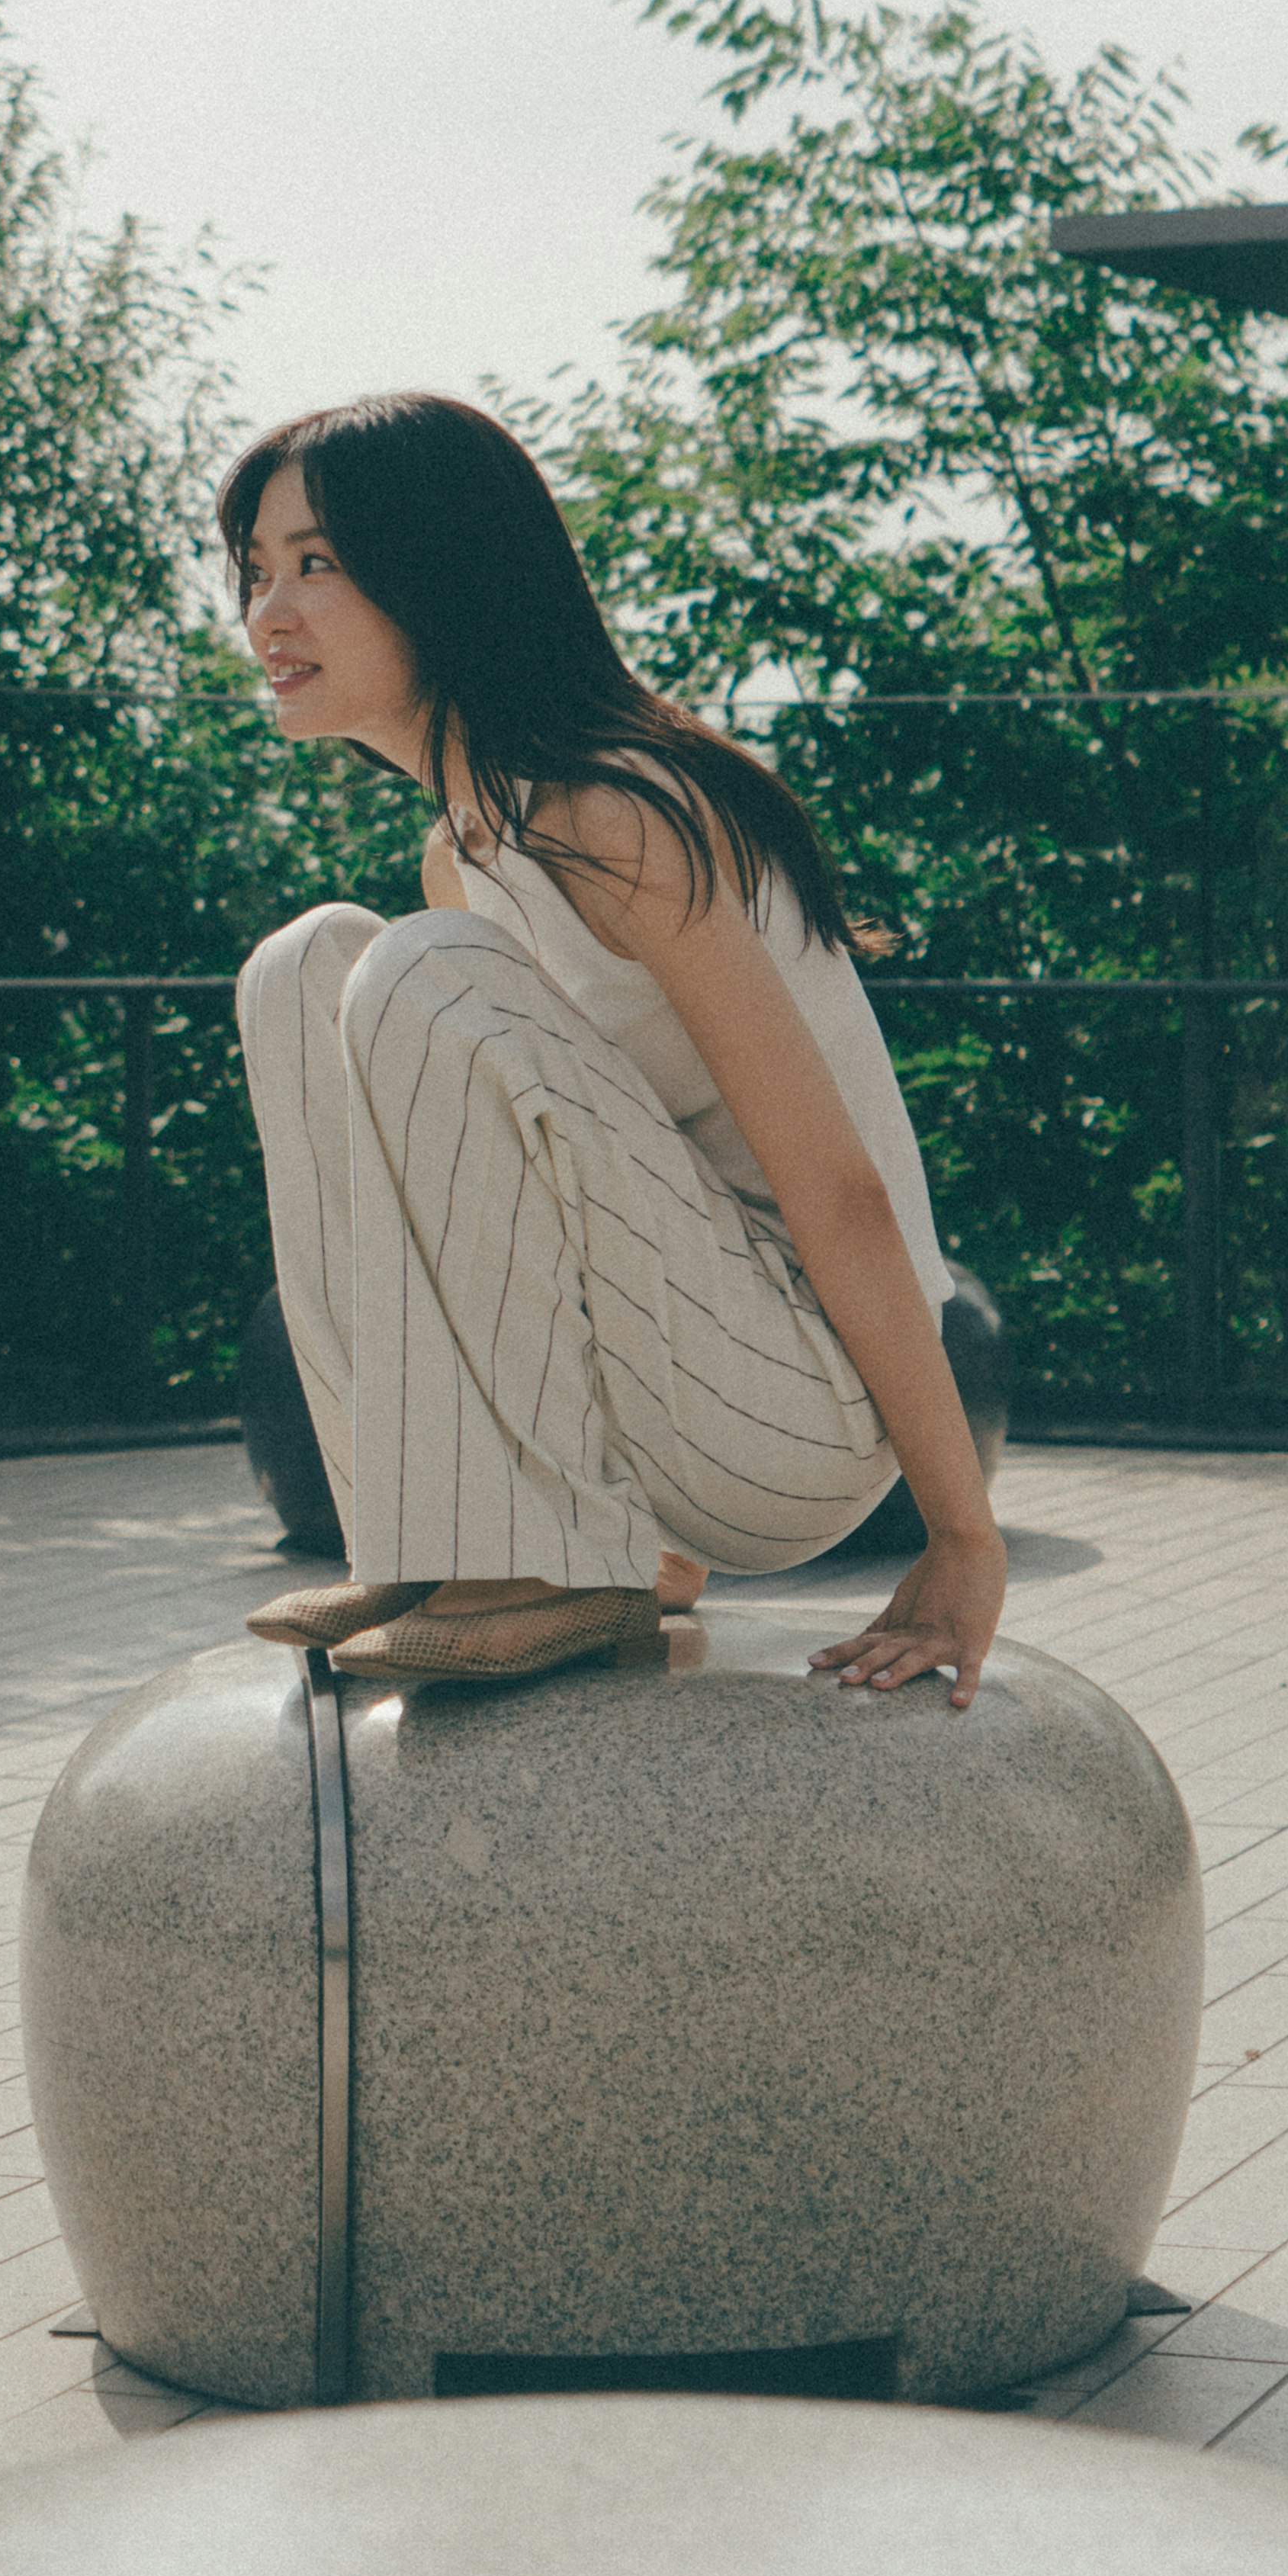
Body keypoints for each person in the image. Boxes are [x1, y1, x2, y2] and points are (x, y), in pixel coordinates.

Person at [224, 390, 1007, 1704]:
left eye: (320, 566)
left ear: (443, 579)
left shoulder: (613, 810)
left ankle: (540, 1565)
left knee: (414, 968)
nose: (270, 614)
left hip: (805, 1411)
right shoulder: (465, 850)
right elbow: (517, 1198)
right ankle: (436, 1549)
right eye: (256, 573)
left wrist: (962, 1536)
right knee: (310, 966)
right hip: (668, 1411)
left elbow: (839, 1189)